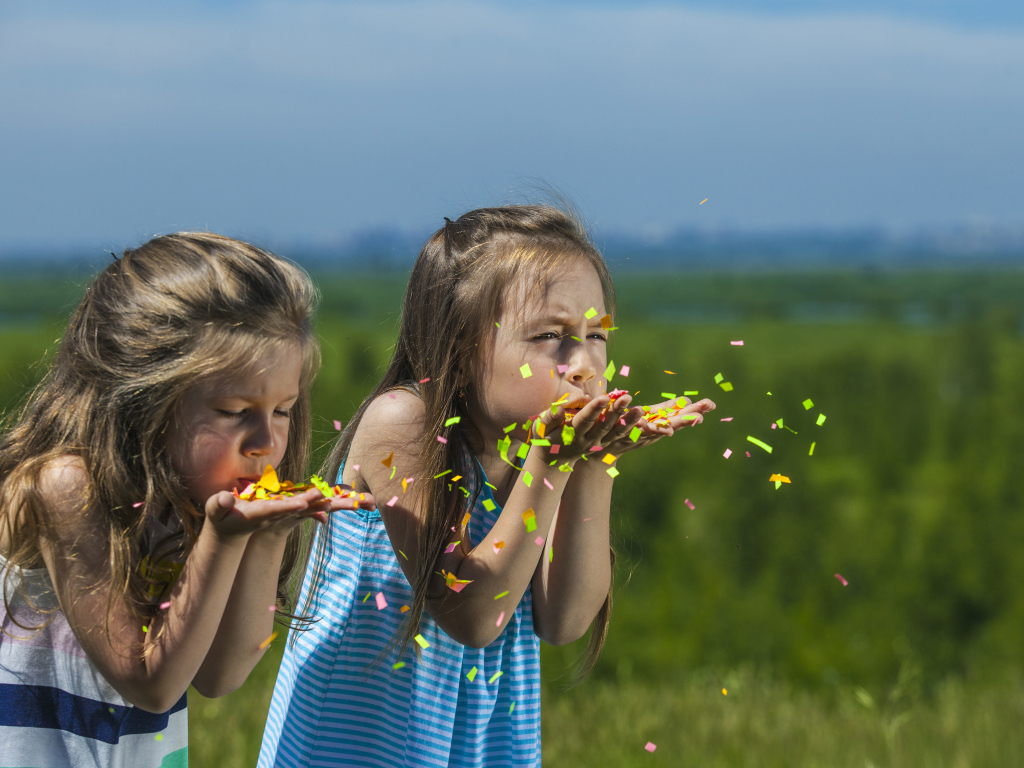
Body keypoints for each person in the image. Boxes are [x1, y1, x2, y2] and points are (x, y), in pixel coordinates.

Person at [259, 205, 715, 767]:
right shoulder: (401, 424)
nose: (583, 364)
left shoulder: (535, 454)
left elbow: (565, 620)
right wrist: (553, 461)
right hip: (359, 749)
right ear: (459, 347)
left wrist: (595, 462)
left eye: (596, 334)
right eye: (550, 335)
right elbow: (473, 616)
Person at [0, 233, 374, 768]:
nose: (265, 442)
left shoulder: (186, 497)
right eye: (234, 411)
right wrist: (222, 540)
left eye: (282, 411)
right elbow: (151, 685)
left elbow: (221, 675)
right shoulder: (68, 486)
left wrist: (269, 535)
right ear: (145, 398)